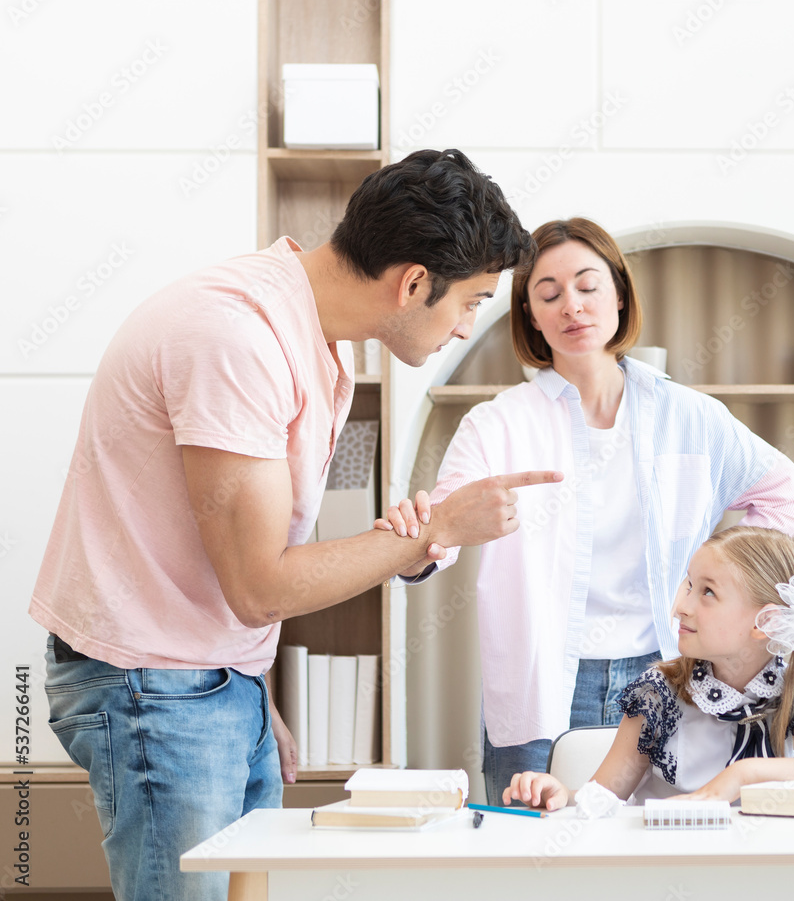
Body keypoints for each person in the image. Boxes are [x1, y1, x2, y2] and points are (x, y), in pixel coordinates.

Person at [29, 149, 562, 901]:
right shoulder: (237, 338)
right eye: (471, 301)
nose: (466, 326)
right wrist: (429, 528)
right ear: (413, 282)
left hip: (212, 681)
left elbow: (245, 564)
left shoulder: (312, 337)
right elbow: (258, 584)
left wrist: (254, 695)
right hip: (154, 685)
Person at [377, 217, 794, 804]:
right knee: (534, 860)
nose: (573, 307)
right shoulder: (498, 423)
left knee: (666, 850)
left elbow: (793, 496)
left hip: (671, 669)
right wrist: (408, 545)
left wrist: (723, 577)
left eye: (588, 286)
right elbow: (440, 538)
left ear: (619, 293)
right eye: (549, 293)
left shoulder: (690, 416)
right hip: (543, 681)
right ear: (530, 314)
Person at [503, 525, 794, 810]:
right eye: (688, 585)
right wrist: (561, 796)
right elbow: (601, 799)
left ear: (764, 623)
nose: (681, 606)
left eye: (707, 592)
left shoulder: (789, 689)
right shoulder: (657, 693)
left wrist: (743, 775)